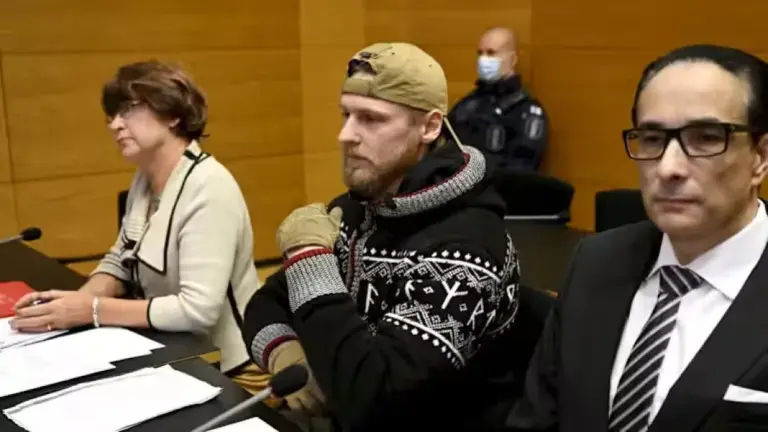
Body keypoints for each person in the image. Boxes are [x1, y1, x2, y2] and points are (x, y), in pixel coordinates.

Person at [242, 42, 521, 431]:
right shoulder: (357, 208)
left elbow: (377, 402)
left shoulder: (467, 247)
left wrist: (308, 258)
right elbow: (265, 304)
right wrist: (285, 353)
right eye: (346, 115)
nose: (345, 135)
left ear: (429, 127)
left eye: (371, 119)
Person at [505, 44, 768, 431]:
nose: (668, 168)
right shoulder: (596, 261)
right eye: (652, 139)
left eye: (706, 138)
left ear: (761, 156)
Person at [10, 60, 272, 396]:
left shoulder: (210, 187)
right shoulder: (147, 177)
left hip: (236, 370)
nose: (115, 125)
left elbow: (197, 311)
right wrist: (75, 302)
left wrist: (91, 310)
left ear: (172, 114)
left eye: (129, 109)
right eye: (111, 115)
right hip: (179, 351)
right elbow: (121, 259)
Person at [447, 27, 548, 173]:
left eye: (491, 53)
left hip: (499, 185)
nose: (483, 60)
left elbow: (522, 168)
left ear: (512, 59)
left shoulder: (526, 111)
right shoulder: (469, 104)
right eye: (480, 53)